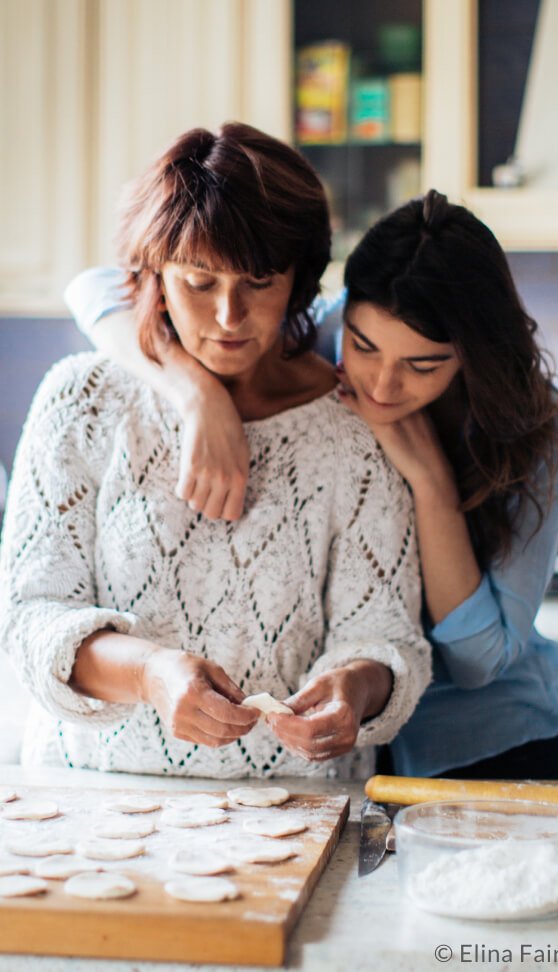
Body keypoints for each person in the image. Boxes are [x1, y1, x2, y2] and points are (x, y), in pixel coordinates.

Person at [65, 189, 558, 782]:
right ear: (344, 311)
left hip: (483, 742)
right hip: (346, 753)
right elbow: (97, 289)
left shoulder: (544, 428)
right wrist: (197, 396)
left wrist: (430, 483)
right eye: (363, 347)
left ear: (471, 356)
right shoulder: (314, 335)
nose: (383, 385)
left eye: (424, 365)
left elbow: (478, 661)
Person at [0, 124, 430, 779]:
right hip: (91, 807)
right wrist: (149, 672)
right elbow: (28, 620)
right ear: (155, 276)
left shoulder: (353, 428)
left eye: (259, 281)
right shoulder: (82, 401)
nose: (230, 316)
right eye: (199, 282)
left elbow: (386, 632)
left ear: (300, 279)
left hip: (298, 810)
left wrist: (354, 687)